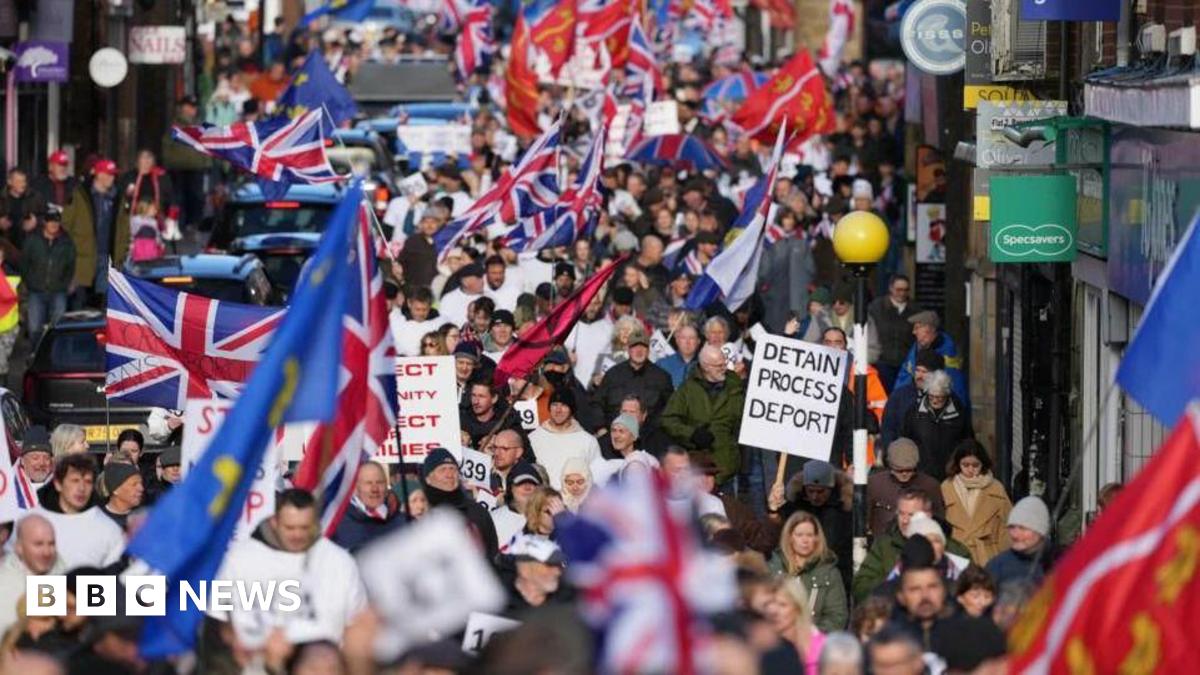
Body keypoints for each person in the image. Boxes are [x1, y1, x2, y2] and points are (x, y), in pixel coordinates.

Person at [213, 489, 367, 646]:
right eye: (290, 528)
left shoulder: (339, 562)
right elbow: (218, 623)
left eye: (304, 528)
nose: (297, 535)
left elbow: (357, 624)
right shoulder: (238, 560)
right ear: (274, 522)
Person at [852, 488, 971, 602]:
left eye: (911, 515)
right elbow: (860, 588)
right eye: (901, 514)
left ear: (927, 516)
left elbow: (972, 588)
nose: (904, 520)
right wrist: (898, 579)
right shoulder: (884, 546)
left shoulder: (955, 550)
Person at [661, 344, 745, 487]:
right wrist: (691, 434)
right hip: (698, 467)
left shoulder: (735, 386)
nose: (723, 368)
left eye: (724, 363)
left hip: (728, 466)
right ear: (706, 367)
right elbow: (668, 420)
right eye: (718, 365)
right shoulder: (687, 389)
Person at [770, 460, 854, 589]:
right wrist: (774, 509)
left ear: (831, 489)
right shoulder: (795, 506)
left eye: (820, 492)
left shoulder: (843, 510)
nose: (815, 496)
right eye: (811, 491)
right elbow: (775, 535)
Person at [33, 454, 124, 571]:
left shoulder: (109, 529)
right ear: (58, 484)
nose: (81, 488)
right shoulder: (31, 522)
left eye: (88, 481)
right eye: (75, 480)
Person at [772, 512, 848, 633]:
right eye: (799, 535)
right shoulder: (773, 567)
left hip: (813, 643)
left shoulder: (829, 572)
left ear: (817, 538)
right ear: (790, 537)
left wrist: (811, 634)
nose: (805, 540)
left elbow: (836, 617)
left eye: (810, 535)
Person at [941, 440, 1012, 566]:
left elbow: (1007, 526)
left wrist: (1006, 560)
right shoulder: (946, 488)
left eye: (975, 465)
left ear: (983, 464)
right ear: (958, 464)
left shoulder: (996, 488)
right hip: (956, 555)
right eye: (965, 465)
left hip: (988, 556)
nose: (970, 469)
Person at [421, 448, 500, 561]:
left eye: (453, 469)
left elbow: (492, 553)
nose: (449, 474)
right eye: (442, 469)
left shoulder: (477, 511)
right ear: (428, 478)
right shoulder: (420, 511)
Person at [61, 157, 119, 306]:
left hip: (107, 256)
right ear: (99, 175)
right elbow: (66, 224)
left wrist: (121, 253)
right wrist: (73, 248)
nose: (112, 178)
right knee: (79, 299)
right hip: (83, 256)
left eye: (113, 174)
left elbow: (123, 227)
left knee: (104, 301)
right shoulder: (80, 195)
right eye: (109, 174)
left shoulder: (117, 197)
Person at [899, 370, 973, 481]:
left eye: (939, 397)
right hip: (921, 474)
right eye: (931, 396)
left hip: (951, 475)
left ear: (947, 394)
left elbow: (967, 442)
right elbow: (905, 440)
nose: (934, 401)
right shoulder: (914, 412)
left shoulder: (958, 413)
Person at [593, 324, 675, 422]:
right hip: (614, 432)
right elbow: (596, 404)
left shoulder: (662, 378)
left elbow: (670, 411)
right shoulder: (612, 374)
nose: (639, 351)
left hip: (649, 434)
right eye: (634, 346)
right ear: (628, 350)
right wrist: (601, 429)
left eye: (643, 347)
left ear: (648, 350)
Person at [866, 438, 944, 537]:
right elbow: (865, 520)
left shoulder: (930, 486)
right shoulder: (875, 484)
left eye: (909, 470)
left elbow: (939, 521)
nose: (904, 474)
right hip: (883, 546)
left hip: (920, 544)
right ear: (890, 465)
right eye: (899, 470)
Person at [0, 515, 64, 634]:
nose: (46, 552)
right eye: (38, 544)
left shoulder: (62, 568)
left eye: (51, 544)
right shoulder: (5, 582)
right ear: (19, 547)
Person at [528, 389, 601, 491]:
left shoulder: (588, 441)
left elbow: (597, 476)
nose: (558, 410)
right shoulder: (533, 438)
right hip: (541, 500)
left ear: (572, 409)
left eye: (564, 405)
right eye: (554, 404)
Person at [21, 208, 75, 340]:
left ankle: (54, 359)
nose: (54, 224)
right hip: (36, 292)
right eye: (51, 220)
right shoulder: (32, 241)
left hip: (58, 292)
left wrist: (65, 284)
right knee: (34, 329)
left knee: (58, 329)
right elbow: (24, 264)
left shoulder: (67, 243)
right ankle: (35, 356)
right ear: (44, 222)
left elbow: (71, 266)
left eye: (56, 221)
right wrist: (30, 283)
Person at [894, 311, 967, 405]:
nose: (913, 332)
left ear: (929, 329)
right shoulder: (916, 347)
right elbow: (904, 376)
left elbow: (956, 389)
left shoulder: (948, 352)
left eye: (917, 328)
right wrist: (897, 401)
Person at [331, 462, 404, 553]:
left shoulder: (404, 522)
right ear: (356, 488)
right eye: (368, 483)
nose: (374, 489)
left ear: (386, 486)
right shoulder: (336, 525)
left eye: (379, 482)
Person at [880, 349, 943, 451]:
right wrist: (892, 454)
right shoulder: (899, 396)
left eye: (925, 372)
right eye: (917, 370)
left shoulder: (948, 400)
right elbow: (888, 429)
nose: (920, 376)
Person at [761, 577, 826, 675]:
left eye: (782, 605)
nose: (774, 611)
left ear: (798, 608)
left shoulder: (824, 648)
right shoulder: (760, 646)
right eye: (769, 604)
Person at [985, 495, 1055, 587]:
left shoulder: (1062, 561)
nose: (1015, 534)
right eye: (1012, 527)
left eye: (1023, 528)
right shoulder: (997, 566)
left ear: (1040, 530)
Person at [868, 274, 918, 390]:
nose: (902, 293)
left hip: (906, 363)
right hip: (882, 362)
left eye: (906, 290)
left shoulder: (915, 309)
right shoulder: (876, 308)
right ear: (891, 288)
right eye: (899, 290)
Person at [502, 534, 572, 615]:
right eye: (550, 565)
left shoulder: (570, 602)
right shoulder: (496, 599)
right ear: (526, 570)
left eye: (559, 565)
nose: (558, 571)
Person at [492, 462, 542, 551]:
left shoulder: (549, 519)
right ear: (510, 488)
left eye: (532, 483)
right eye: (521, 482)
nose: (527, 487)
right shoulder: (493, 519)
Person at [98, 462, 144, 529]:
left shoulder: (144, 519)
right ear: (116, 490)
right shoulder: (98, 520)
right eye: (134, 484)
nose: (141, 488)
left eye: (141, 483)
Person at [439, 262, 485, 327]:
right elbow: (443, 325)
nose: (482, 281)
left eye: (482, 277)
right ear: (465, 282)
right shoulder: (448, 299)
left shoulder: (489, 297)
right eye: (478, 278)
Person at [657, 323, 701, 389]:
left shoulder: (706, 365)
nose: (687, 342)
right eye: (683, 338)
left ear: (698, 341)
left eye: (692, 338)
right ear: (677, 340)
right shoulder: (662, 365)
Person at [16, 427, 54, 501]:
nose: (41, 463)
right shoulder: (8, 487)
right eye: (35, 458)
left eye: (46, 458)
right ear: (22, 461)